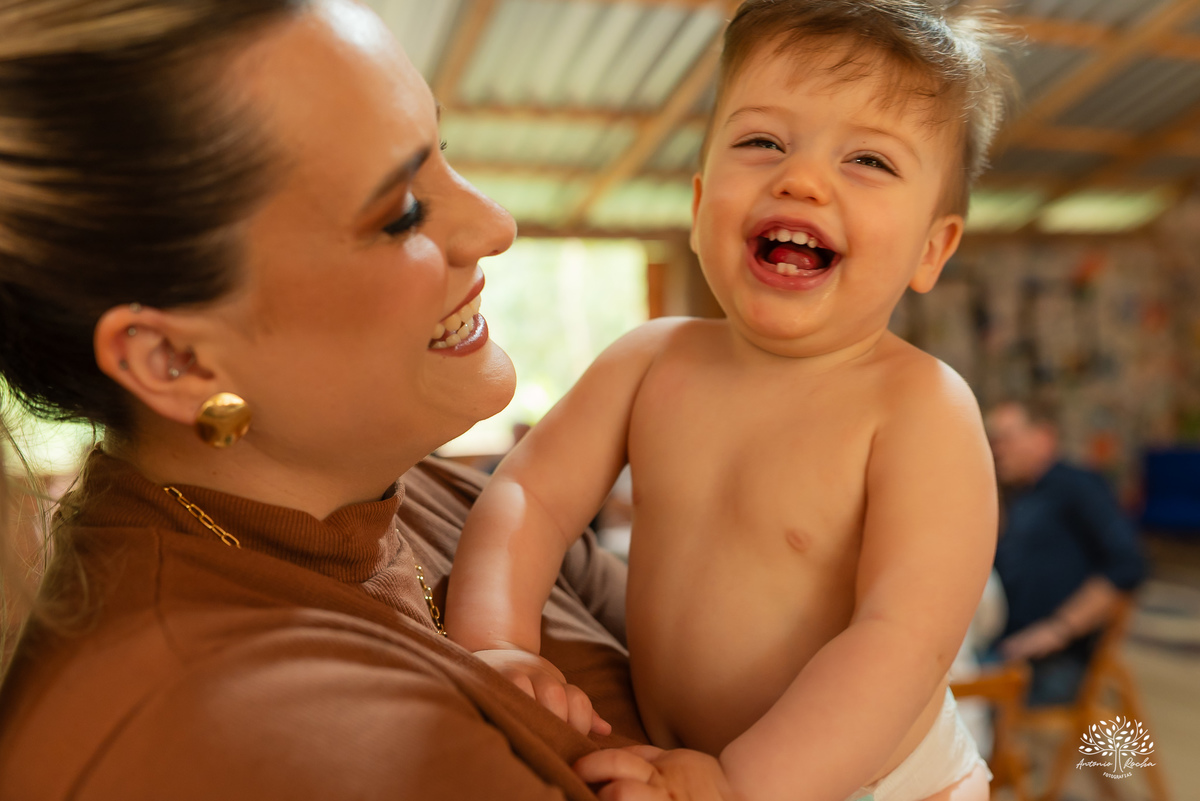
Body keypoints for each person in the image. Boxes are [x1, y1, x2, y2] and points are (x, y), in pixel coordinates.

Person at [0, 1, 650, 797]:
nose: (495, 224)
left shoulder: (425, 499)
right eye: (401, 213)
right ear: (176, 360)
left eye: (442, 151)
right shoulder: (258, 737)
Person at [446, 1, 1013, 800]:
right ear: (699, 202)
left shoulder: (922, 407)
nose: (801, 178)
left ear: (932, 247)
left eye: (868, 160)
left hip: (877, 781)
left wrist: (741, 784)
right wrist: (496, 640)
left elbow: (901, 641)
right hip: (687, 762)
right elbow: (527, 496)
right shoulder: (648, 361)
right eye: (763, 142)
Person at [985, 399, 1146, 705]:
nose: (997, 450)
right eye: (992, 441)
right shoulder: (1016, 495)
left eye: (1006, 439)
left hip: (1054, 662)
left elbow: (1127, 565)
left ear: (1043, 437)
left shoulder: (1077, 486)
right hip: (1003, 647)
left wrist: (1058, 628)